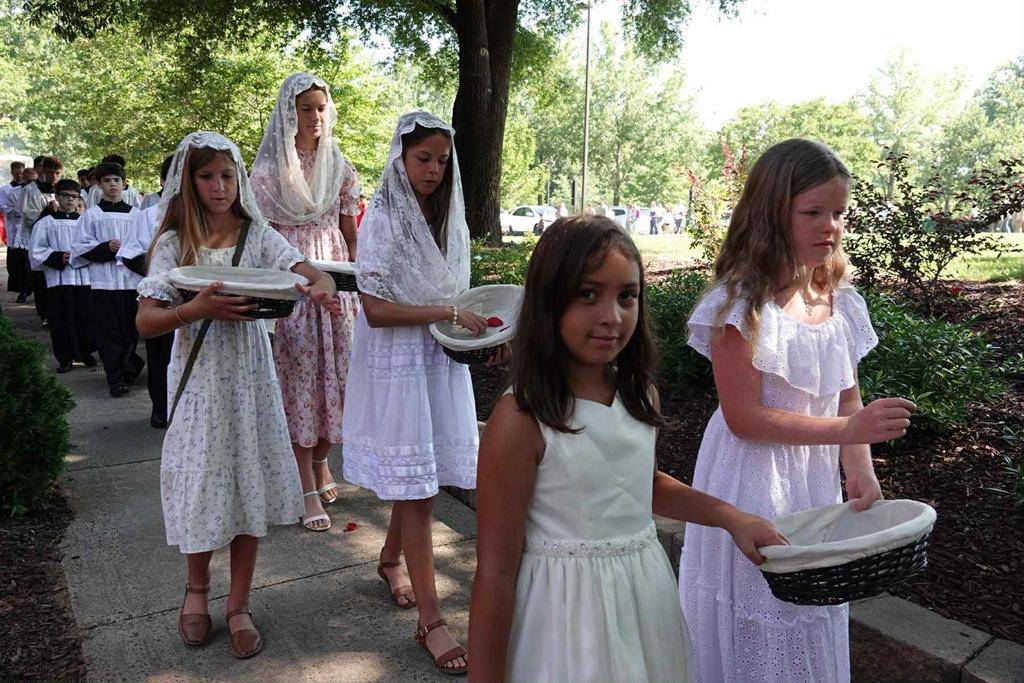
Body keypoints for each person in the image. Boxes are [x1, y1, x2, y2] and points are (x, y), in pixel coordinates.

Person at [467, 215, 786, 683]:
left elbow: (642, 485)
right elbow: (494, 570)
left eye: (627, 296)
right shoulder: (520, 420)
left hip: (643, 598)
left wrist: (731, 517)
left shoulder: (639, 395)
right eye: (588, 294)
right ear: (548, 300)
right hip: (563, 618)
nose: (612, 317)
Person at [678, 139, 916, 683]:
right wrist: (846, 430)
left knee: (812, 612)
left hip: (812, 481)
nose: (828, 226)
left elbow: (847, 396)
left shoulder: (840, 300)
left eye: (838, 214)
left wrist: (860, 469)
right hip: (751, 480)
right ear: (770, 212)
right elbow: (745, 417)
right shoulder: (741, 305)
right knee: (761, 615)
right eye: (812, 212)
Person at [135, 131, 340, 659]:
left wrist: (320, 285)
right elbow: (146, 321)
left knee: (249, 484)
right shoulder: (174, 243)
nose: (219, 186)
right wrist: (196, 309)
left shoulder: (257, 234)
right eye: (207, 177)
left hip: (251, 382)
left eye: (228, 175)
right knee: (204, 485)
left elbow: (305, 268)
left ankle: (240, 603)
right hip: (201, 383)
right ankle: (197, 591)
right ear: (189, 181)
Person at [343, 112, 483, 675]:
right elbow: (375, 311)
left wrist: (478, 329)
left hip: (440, 355)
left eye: (442, 160)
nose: (433, 169)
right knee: (420, 488)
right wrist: (450, 312)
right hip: (398, 358)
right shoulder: (381, 216)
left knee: (423, 476)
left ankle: (388, 559)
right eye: (423, 158)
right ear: (401, 158)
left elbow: (462, 293)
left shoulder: (450, 215)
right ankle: (432, 619)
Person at [250, 72, 362, 532]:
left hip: (335, 279)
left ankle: (321, 460)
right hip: (292, 282)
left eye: (321, 107)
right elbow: (259, 240)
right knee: (298, 382)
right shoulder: (267, 173)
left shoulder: (342, 166)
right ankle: (304, 484)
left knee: (338, 378)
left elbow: (351, 235)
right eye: (305, 108)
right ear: (287, 112)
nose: (315, 116)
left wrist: (357, 284)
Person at [70, 161, 144, 397]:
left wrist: (128, 250)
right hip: (104, 282)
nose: (112, 185)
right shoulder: (92, 215)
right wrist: (105, 247)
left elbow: (146, 246)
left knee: (131, 331)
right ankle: (115, 378)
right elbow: (79, 248)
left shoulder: (136, 214)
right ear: (99, 185)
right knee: (108, 331)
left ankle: (127, 367)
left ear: (124, 184)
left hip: (131, 283)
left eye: (117, 180)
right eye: (107, 180)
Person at [119, 154, 175, 427]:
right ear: (164, 181)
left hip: (202, 301)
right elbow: (129, 255)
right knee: (161, 356)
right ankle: (161, 408)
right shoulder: (148, 217)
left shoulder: (214, 216)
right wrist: (163, 275)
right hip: (162, 300)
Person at [29, 178, 96, 372]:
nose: (70, 200)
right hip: (58, 279)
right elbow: (36, 251)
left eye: (74, 197)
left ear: (79, 200)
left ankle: (86, 353)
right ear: (57, 197)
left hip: (83, 278)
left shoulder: (85, 222)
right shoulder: (45, 223)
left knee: (85, 317)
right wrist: (58, 257)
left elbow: (93, 245)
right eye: (65, 195)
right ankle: (64, 358)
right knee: (60, 319)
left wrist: (81, 255)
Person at [21, 155, 63, 322]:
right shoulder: (30, 190)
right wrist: (47, 210)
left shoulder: (64, 190)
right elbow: (27, 216)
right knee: (41, 278)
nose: (54, 176)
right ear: (43, 171)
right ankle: (45, 314)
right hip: (40, 240)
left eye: (57, 173)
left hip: (60, 241)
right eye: (50, 172)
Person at [1, 161, 26, 298]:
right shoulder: (5, 189)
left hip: (29, 225)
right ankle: (21, 289)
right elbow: (2, 205)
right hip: (14, 226)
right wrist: (13, 212)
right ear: (12, 173)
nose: (19, 176)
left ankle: (29, 287)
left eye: (21, 173)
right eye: (16, 173)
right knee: (16, 261)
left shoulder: (29, 187)